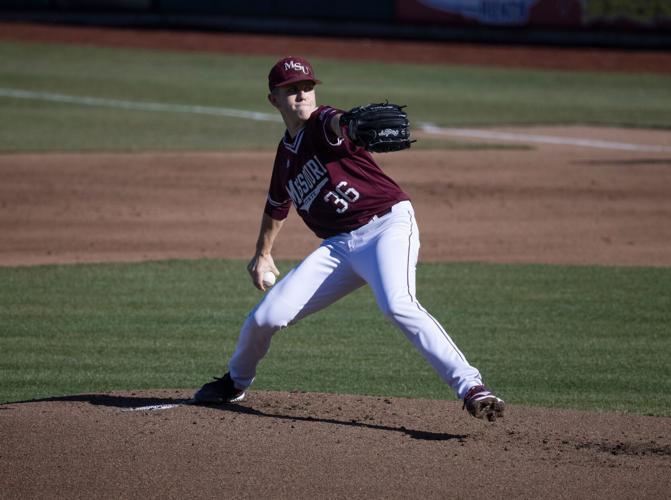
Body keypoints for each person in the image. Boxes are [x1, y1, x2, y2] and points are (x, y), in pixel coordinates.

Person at [194, 56, 505, 421]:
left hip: (386, 226)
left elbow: (341, 123)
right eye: (291, 90)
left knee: (397, 304)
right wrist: (263, 254)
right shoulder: (285, 156)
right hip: (339, 247)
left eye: (307, 87)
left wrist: (352, 125)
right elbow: (277, 204)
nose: (302, 95)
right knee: (266, 318)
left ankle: (471, 386)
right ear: (273, 99)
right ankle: (235, 382)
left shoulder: (324, 122)